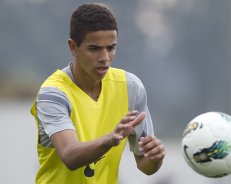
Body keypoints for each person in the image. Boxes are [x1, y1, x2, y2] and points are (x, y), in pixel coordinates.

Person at [30, 3, 166, 184]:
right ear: (73, 47)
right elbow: (70, 156)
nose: (105, 58)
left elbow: (144, 164)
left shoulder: (131, 87)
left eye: (110, 48)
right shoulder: (53, 94)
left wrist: (155, 158)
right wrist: (109, 140)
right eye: (94, 48)